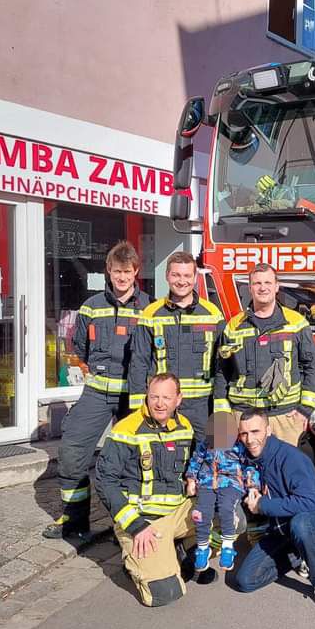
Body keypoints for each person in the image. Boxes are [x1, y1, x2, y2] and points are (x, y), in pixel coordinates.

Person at [44, 242, 151, 541]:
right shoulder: (92, 306)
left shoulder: (150, 308)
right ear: (108, 271)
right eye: (117, 271)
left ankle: (130, 523)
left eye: (127, 272)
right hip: (97, 393)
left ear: (136, 272)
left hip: (135, 396)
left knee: (134, 457)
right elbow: (79, 347)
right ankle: (75, 520)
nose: (121, 277)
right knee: (72, 451)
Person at [95, 373, 196, 608]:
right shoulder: (126, 429)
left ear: (178, 399)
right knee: (165, 593)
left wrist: (194, 479)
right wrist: (136, 526)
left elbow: (189, 467)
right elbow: (104, 481)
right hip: (143, 521)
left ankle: (179, 550)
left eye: (166, 398)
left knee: (229, 515)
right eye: (154, 397)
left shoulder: (185, 426)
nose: (159, 403)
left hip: (176, 512)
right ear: (147, 397)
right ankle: (138, 558)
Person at [231, 409, 315, 612]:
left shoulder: (290, 458)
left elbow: (310, 502)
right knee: (244, 581)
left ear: (269, 430)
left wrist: (262, 505)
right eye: (244, 433)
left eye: (255, 431)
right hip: (278, 529)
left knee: (300, 525)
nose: (250, 439)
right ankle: (298, 555)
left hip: (308, 521)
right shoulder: (243, 458)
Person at [213, 263, 315, 446]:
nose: (262, 288)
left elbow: (313, 367)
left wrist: (305, 409)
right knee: (241, 471)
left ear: (277, 286)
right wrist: (223, 415)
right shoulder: (234, 326)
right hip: (243, 416)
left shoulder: (296, 323)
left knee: (283, 471)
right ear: (249, 288)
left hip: (283, 417)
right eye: (257, 283)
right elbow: (221, 372)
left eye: (267, 283)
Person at [128, 251, 224, 439]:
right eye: (176, 275)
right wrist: (138, 405)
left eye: (187, 275)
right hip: (163, 406)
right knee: (163, 460)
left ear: (195, 278)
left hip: (202, 407)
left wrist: (220, 406)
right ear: (167, 276)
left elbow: (223, 366)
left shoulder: (213, 314)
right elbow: (138, 362)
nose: (182, 281)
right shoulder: (151, 314)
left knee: (203, 460)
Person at [185, 413, 260, 574]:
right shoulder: (206, 444)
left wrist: (252, 485)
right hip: (207, 481)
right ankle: (202, 547)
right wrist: (191, 479)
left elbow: (249, 465)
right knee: (201, 513)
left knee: (227, 508)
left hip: (231, 482)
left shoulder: (239, 445)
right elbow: (196, 460)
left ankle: (227, 547)